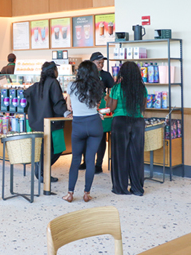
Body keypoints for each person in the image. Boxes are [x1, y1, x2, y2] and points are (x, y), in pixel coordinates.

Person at [62, 60, 104, 203]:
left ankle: (70, 193)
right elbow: (96, 105)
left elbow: (70, 106)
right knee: (90, 160)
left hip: (78, 125)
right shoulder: (98, 86)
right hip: (94, 123)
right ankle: (86, 193)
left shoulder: (72, 86)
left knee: (75, 159)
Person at [24, 61, 71, 183]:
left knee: (44, 149)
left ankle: (41, 170)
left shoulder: (37, 85)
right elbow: (58, 102)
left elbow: (25, 94)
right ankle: (41, 169)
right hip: (52, 123)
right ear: (53, 71)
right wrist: (66, 113)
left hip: (38, 124)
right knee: (58, 148)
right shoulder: (53, 83)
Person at [107, 61, 147, 196]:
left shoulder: (117, 88)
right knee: (136, 156)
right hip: (138, 122)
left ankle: (120, 188)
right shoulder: (142, 88)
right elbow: (143, 107)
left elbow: (111, 108)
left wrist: (108, 97)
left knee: (119, 156)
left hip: (120, 123)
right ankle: (137, 188)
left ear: (122, 73)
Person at [79, 51, 114, 173]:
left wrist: (108, 100)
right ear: (92, 62)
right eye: (99, 63)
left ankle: (98, 164)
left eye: (102, 63)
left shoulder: (106, 75)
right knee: (85, 135)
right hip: (87, 105)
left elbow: (112, 90)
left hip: (102, 106)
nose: (101, 65)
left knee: (101, 135)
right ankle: (85, 161)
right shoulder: (86, 74)